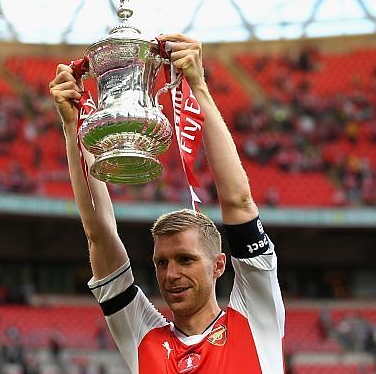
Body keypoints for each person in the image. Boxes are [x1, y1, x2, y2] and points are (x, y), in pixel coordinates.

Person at [49, 33, 285, 373]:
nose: (171, 274)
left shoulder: (255, 315)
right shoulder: (142, 336)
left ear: (219, 265)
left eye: (186, 259)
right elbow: (99, 233)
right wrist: (72, 126)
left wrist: (198, 86)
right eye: (162, 262)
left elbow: (239, 203)